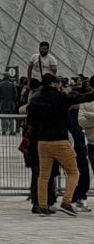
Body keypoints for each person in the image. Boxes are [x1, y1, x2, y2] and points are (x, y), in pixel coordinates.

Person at [27, 74, 94, 216]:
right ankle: (67, 201)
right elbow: (84, 98)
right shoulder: (61, 97)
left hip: (42, 142)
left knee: (43, 176)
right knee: (73, 172)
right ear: (53, 83)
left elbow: (31, 122)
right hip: (60, 140)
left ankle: (43, 206)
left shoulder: (35, 100)